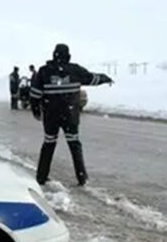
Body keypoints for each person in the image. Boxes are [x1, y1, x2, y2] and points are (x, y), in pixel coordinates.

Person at [30, 44, 113, 186]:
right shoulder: (75, 70)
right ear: (68, 55)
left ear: (54, 54)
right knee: (74, 145)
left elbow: (34, 94)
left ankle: (41, 177)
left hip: (51, 118)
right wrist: (105, 78)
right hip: (70, 117)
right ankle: (82, 178)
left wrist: (36, 111)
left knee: (48, 145)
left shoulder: (44, 72)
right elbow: (92, 79)